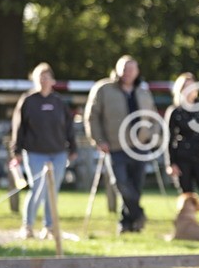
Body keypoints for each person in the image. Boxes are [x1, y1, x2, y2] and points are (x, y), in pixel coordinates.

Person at [85, 55, 157, 234]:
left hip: (139, 146)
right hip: (115, 146)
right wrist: (98, 139)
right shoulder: (104, 89)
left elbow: (154, 118)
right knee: (121, 184)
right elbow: (92, 116)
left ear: (137, 71)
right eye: (124, 68)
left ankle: (127, 224)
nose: (127, 73)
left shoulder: (143, 92)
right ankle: (138, 214)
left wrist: (151, 136)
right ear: (117, 70)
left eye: (131, 69)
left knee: (136, 185)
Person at [9, 63, 76, 239]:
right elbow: (19, 127)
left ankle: (49, 227)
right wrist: (16, 150)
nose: (44, 80)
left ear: (52, 80)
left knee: (52, 192)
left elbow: (68, 127)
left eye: (47, 77)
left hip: (58, 152)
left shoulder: (59, 102)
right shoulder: (28, 101)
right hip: (35, 152)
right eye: (40, 77)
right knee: (37, 189)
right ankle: (28, 226)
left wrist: (73, 147)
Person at [165, 72, 199, 226]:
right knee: (186, 195)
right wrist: (171, 163)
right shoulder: (175, 112)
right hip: (182, 157)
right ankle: (187, 225)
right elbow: (169, 139)